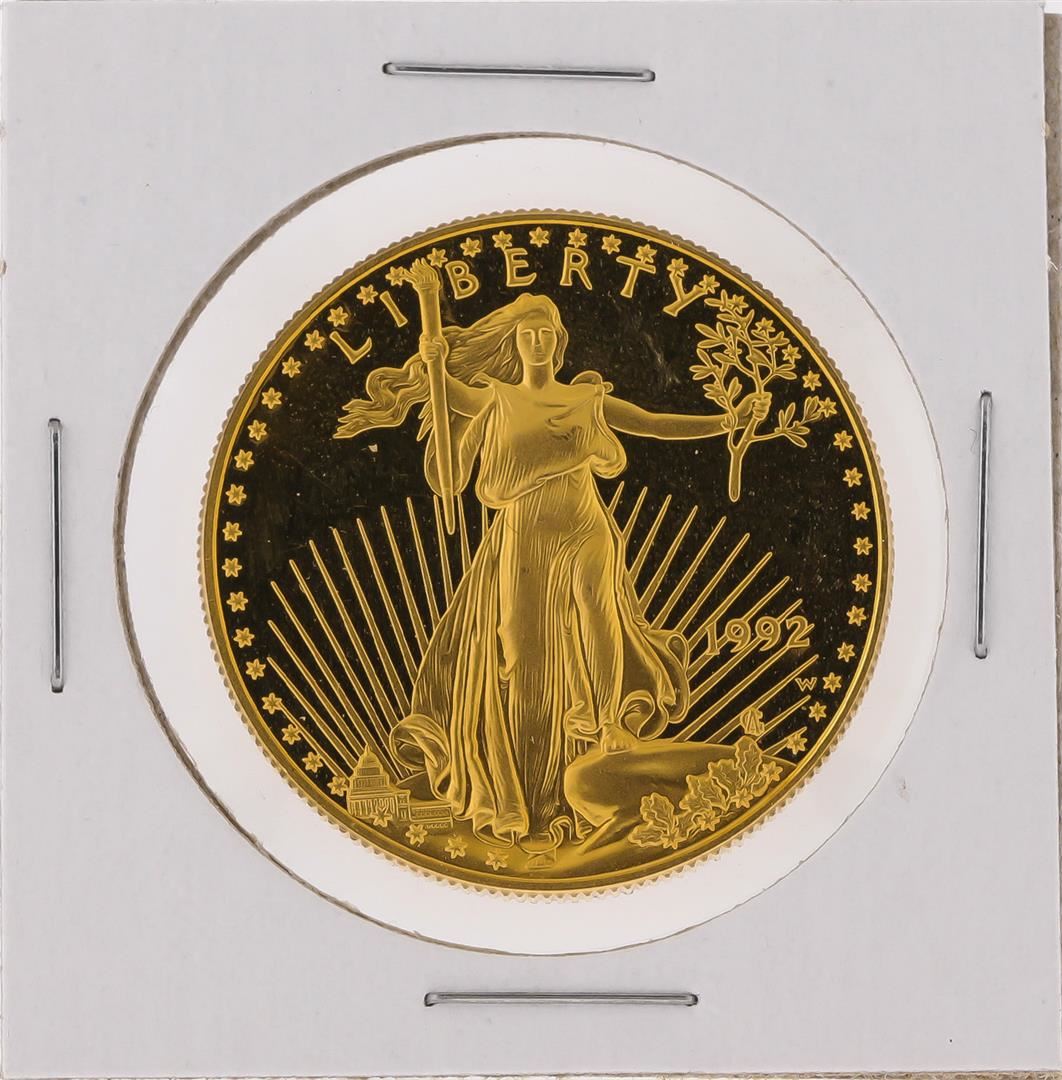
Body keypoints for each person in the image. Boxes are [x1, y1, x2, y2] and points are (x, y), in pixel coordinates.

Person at [335, 292, 769, 863]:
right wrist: (433, 363)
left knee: (599, 619)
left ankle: (609, 727)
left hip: (585, 524)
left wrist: (728, 422)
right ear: (515, 343)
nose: (537, 341)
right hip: (524, 533)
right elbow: (449, 433)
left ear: (559, 343)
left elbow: (654, 424)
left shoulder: (587, 399)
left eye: (547, 333)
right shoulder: (495, 399)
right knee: (523, 653)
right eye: (528, 334)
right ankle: (532, 797)